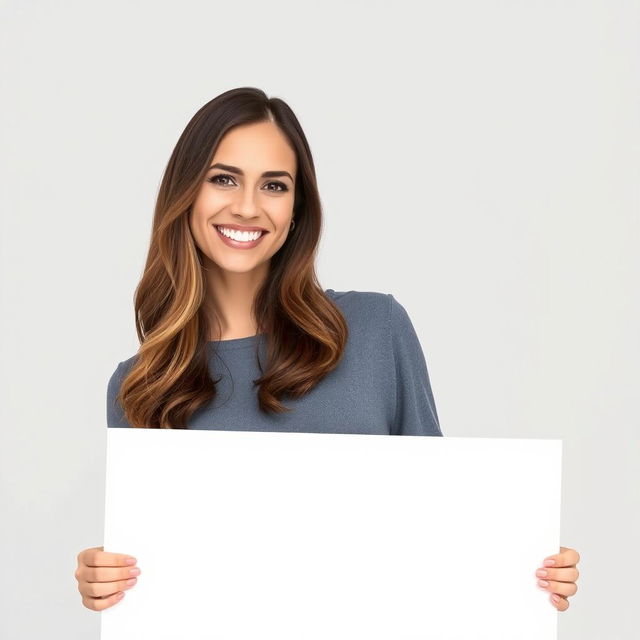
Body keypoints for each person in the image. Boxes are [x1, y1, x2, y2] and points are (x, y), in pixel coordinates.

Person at [74, 87, 580, 613]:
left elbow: (440, 521)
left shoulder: (375, 329)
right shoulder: (142, 384)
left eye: (274, 185)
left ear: (296, 209)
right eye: (223, 178)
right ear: (186, 194)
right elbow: (162, 582)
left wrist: (527, 566)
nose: (247, 207)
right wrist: (107, 580)